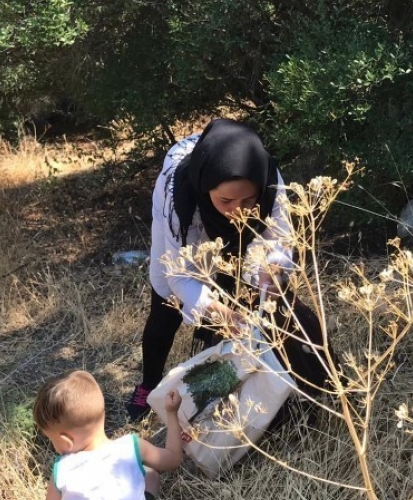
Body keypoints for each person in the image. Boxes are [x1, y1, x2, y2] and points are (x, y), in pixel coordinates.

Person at [126, 118, 299, 421]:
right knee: (166, 303)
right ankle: (149, 383)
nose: (239, 211)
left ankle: (219, 367)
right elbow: (177, 273)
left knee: (236, 287)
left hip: (231, 216)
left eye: (249, 200)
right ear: (207, 190)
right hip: (186, 217)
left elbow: (282, 240)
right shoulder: (178, 194)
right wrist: (218, 311)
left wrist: (271, 272)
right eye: (227, 200)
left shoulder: (269, 179)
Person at [34, 370, 184, 500]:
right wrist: (171, 413)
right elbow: (174, 458)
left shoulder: (62, 469)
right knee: (151, 475)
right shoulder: (132, 446)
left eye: (51, 439)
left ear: (66, 441)